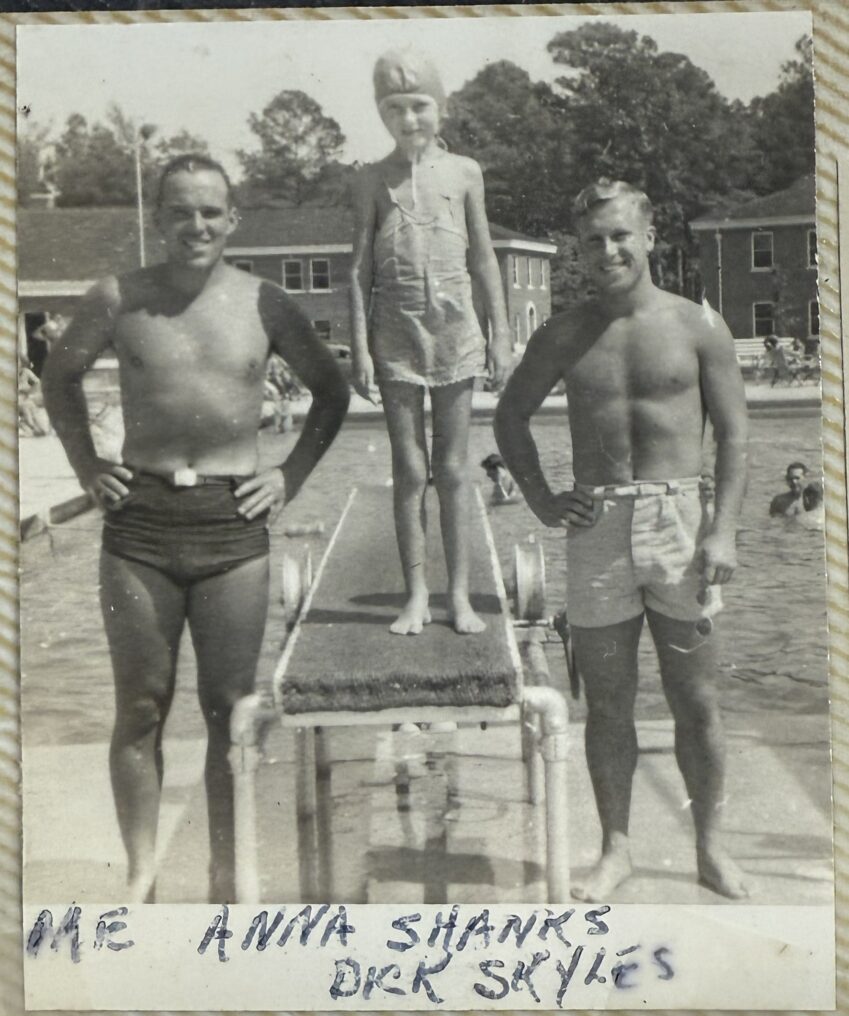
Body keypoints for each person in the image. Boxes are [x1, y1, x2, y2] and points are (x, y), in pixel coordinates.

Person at [42, 154, 349, 903]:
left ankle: (224, 871)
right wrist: (87, 465)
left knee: (231, 710)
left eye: (210, 211)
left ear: (233, 219)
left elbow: (330, 390)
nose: (196, 226)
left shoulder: (264, 302)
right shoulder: (119, 297)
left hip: (230, 527)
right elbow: (59, 376)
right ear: (159, 216)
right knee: (141, 705)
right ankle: (143, 871)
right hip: (140, 523)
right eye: (180, 211)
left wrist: (289, 474)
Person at [494, 178, 749, 902]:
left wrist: (723, 530)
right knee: (605, 704)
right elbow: (509, 418)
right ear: (579, 248)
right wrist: (544, 500)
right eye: (593, 240)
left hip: (681, 522)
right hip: (597, 524)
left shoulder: (698, 324)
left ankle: (708, 846)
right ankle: (616, 849)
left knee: (694, 699)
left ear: (648, 237)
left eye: (619, 236)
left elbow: (732, 434)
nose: (607, 250)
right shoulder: (565, 333)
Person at [349, 49, 511, 635]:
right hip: (395, 335)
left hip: (454, 332)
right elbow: (359, 270)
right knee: (410, 468)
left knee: (452, 466)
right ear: (381, 113)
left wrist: (502, 335)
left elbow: (486, 259)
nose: (409, 119)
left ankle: (459, 597)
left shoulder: (466, 172)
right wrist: (361, 348)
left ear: (440, 107)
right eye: (395, 109)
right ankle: (416, 594)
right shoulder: (371, 179)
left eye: (419, 106)